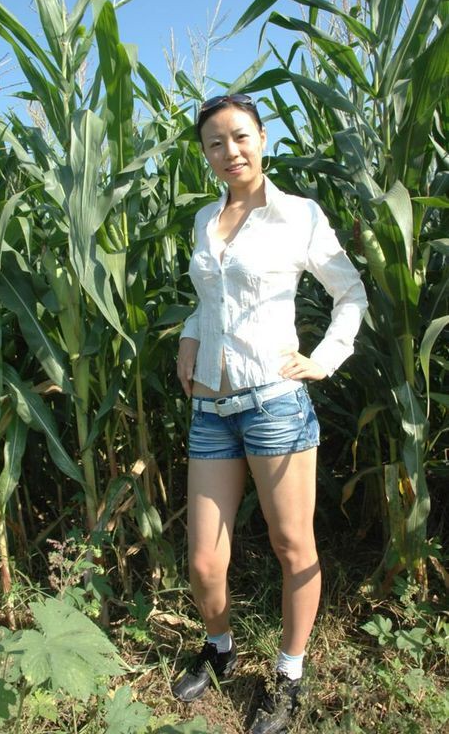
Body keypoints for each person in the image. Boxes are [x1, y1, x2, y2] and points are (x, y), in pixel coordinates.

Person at [171, 94, 368, 733]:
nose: (229, 151)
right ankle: (220, 647)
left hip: (274, 404)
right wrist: (189, 336)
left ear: (261, 138)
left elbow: (350, 293)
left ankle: (288, 673)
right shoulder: (205, 219)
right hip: (211, 406)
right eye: (215, 143)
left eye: (239, 137)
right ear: (205, 155)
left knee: (292, 545)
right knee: (205, 561)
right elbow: (210, 300)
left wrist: (325, 359)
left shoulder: (298, 215)